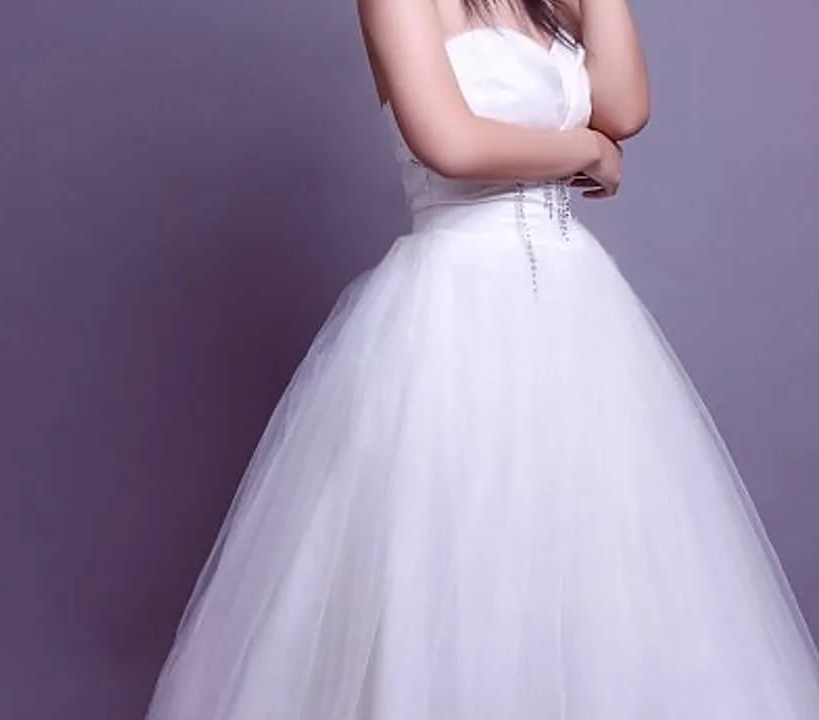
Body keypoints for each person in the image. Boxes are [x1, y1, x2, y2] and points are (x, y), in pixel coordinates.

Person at [146, 0, 819, 717]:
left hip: (577, 307)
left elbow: (624, 109)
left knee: (597, 554)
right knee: (458, 551)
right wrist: (586, 151)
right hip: (457, 303)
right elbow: (450, 142)